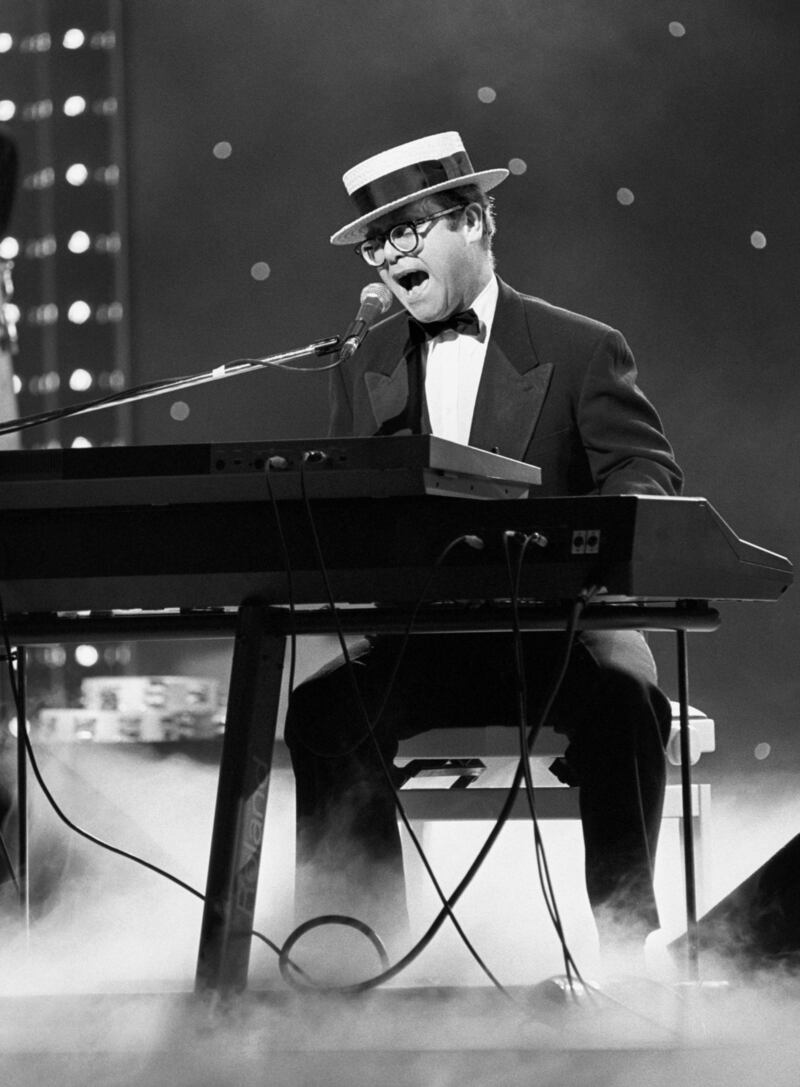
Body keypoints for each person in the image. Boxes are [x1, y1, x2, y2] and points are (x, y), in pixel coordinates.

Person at [284, 131, 683, 964]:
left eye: (407, 230)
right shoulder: (364, 362)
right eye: (375, 241)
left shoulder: (580, 346)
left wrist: (598, 538)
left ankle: (627, 947)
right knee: (323, 711)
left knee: (627, 697)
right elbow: (342, 497)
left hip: (557, 632)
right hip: (421, 640)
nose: (389, 255)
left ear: (472, 221)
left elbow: (645, 474)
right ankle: (355, 959)